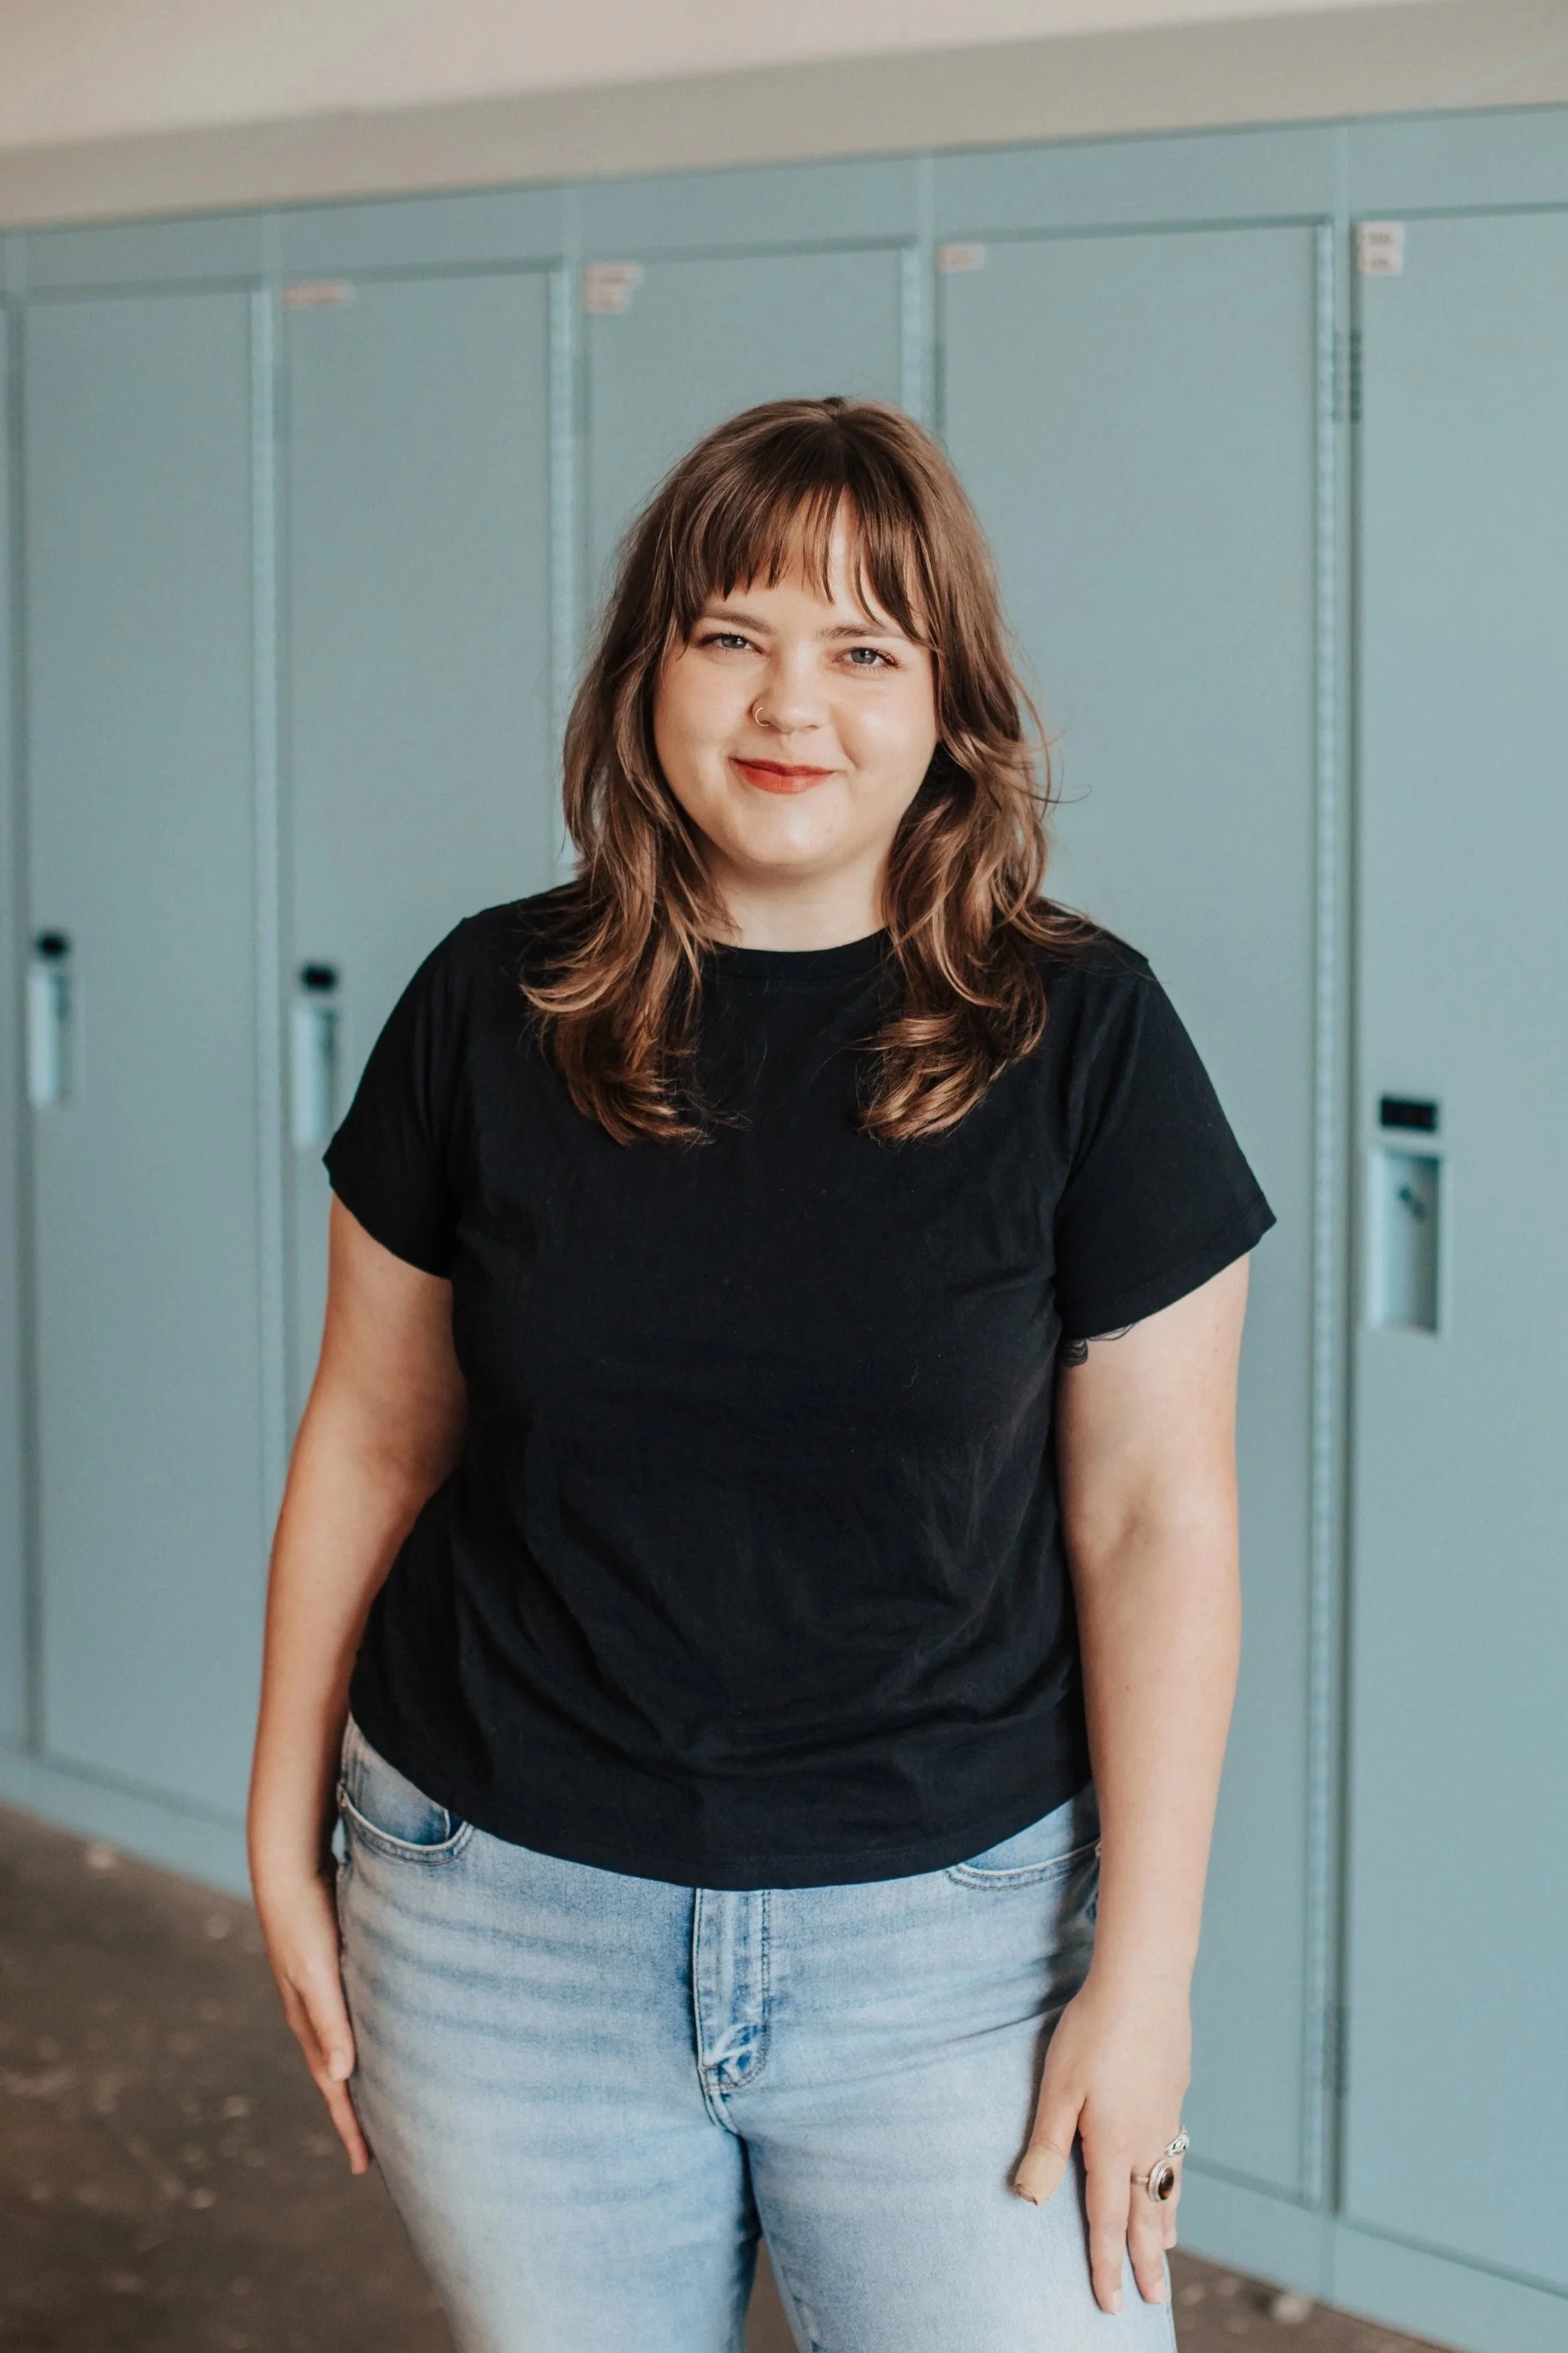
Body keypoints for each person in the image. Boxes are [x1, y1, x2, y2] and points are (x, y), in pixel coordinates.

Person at [248, 395, 1273, 2353]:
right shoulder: (491, 1005)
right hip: (502, 1921)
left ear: (948, 703)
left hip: (951, 1945)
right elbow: (374, 1436)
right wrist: (276, 1826)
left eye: (864, 648)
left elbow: (1158, 1518)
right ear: (648, 672)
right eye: (731, 633)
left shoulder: (1089, 1041)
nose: (789, 703)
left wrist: (1144, 1981)